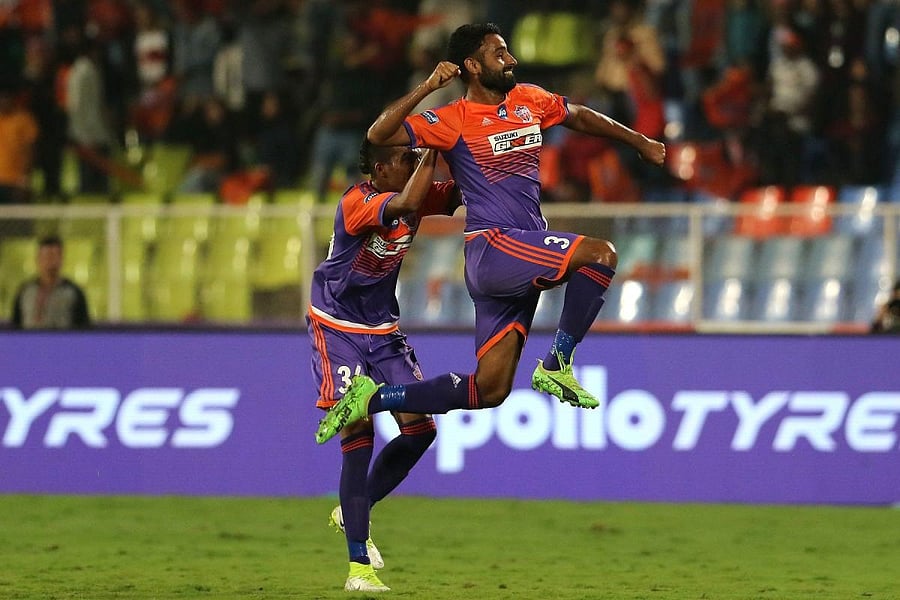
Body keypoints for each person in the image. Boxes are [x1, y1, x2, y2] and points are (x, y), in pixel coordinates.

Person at [315, 24, 665, 445]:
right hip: (494, 245)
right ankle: (557, 365)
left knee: (490, 390)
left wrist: (638, 139)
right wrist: (428, 86)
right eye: (499, 53)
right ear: (472, 65)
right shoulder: (453, 119)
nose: (511, 60)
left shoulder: (528, 100)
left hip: (518, 251)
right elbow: (379, 134)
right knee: (600, 254)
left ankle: (373, 398)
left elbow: (578, 115)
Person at [308, 140, 460, 592]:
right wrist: (434, 142)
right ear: (380, 169)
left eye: (418, 159)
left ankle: (355, 508)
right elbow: (412, 200)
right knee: (358, 432)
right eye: (406, 160)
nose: (416, 166)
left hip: (383, 328)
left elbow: (459, 194)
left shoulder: (415, 190)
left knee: (421, 429)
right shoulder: (358, 201)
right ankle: (359, 568)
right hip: (337, 326)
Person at [10, 235, 91, 329]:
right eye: (47, 257)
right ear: (38, 259)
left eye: (54, 257)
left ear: (61, 259)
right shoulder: (25, 291)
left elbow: (84, 328)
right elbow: (16, 325)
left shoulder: (73, 292)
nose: (51, 263)